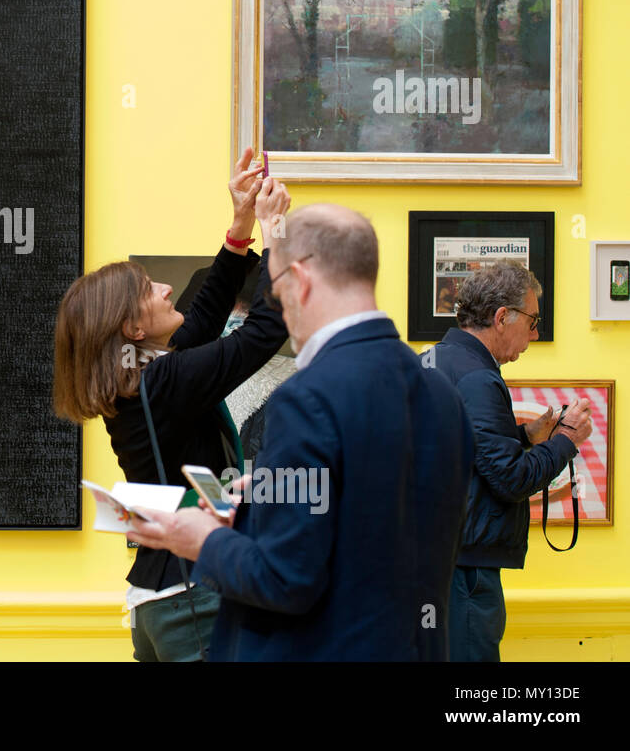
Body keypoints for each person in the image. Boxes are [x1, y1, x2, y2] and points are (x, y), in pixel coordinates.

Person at [128, 203, 474, 660]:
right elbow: (375, 524)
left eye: (275, 289)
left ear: (301, 281)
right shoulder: (442, 393)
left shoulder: (306, 398)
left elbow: (284, 579)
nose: (277, 307)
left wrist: (202, 539)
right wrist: (263, 499)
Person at [53, 148, 290, 661]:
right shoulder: (164, 381)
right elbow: (265, 331)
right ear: (134, 330)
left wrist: (240, 224)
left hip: (157, 599)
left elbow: (200, 321)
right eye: (149, 290)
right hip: (192, 601)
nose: (166, 289)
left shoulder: (141, 379)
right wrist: (279, 237)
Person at [429, 260, 593, 662]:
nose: (535, 335)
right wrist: (567, 440)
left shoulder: (434, 359)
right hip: (466, 569)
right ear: (502, 317)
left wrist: (524, 436)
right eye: (533, 321)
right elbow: (511, 480)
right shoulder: (478, 378)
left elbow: (459, 452)